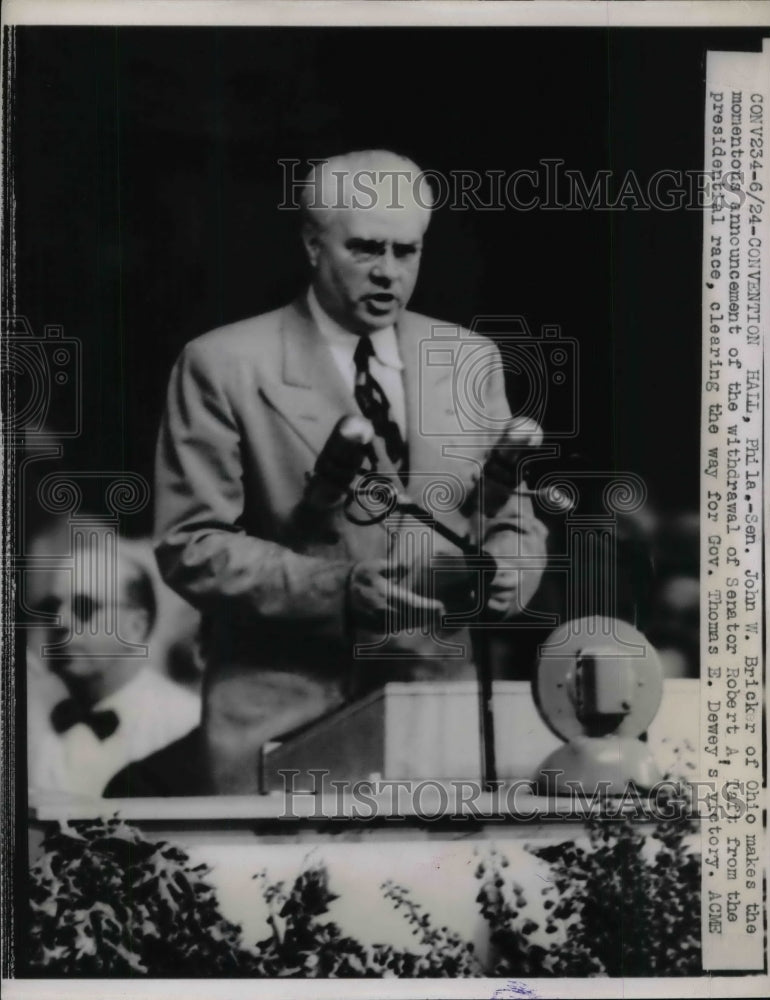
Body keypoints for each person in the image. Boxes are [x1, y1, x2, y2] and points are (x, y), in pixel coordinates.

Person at [142, 149, 548, 795]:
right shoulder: (222, 364)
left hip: (430, 709)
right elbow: (191, 545)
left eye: (406, 251)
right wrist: (337, 586)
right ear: (312, 245)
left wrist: (510, 569)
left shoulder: (467, 360)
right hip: (277, 709)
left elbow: (511, 515)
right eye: (365, 249)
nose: (388, 272)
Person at [28, 540, 200, 798]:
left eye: (84, 607)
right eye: (53, 608)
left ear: (135, 627)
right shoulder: (29, 714)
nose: (60, 621)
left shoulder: (183, 722)